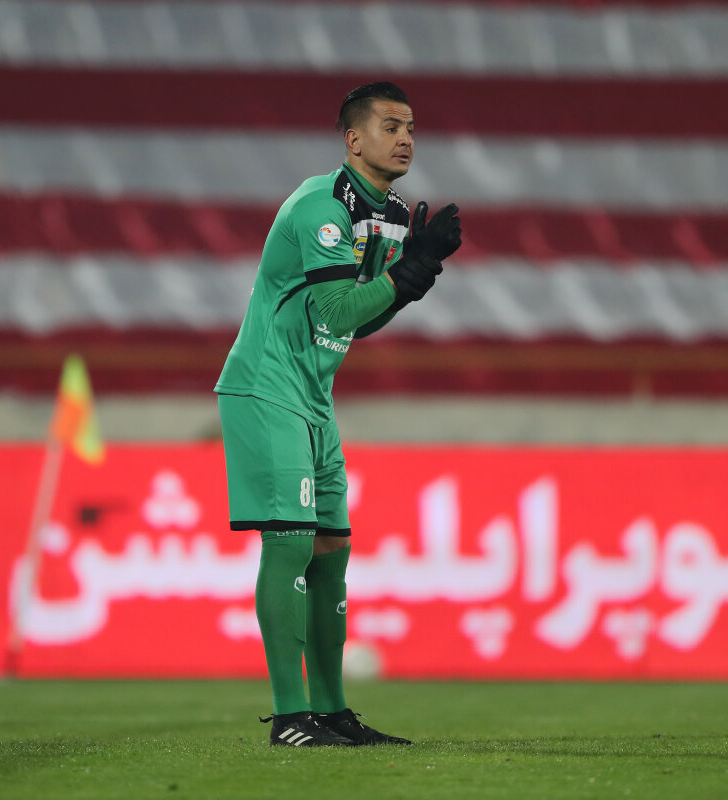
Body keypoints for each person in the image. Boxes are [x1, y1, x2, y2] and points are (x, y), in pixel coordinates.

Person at [213, 82, 462, 747]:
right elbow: (336, 309)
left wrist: (412, 277)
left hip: (314, 397)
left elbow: (358, 321)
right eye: (390, 126)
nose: (405, 138)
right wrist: (409, 272)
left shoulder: (388, 215)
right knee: (291, 543)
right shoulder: (321, 209)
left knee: (331, 551)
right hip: (266, 388)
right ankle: (290, 718)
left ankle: (331, 712)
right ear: (353, 140)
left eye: (411, 127)